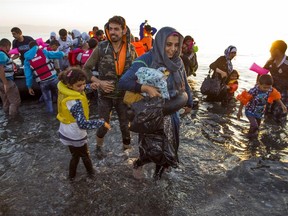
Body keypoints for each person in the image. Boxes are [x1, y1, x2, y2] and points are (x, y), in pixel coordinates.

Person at [118, 26, 193, 180]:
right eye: (168, 44)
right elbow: (123, 81)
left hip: (171, 112)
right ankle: (139, 163)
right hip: (152, 113)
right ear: (159, 43)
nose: (172, 49)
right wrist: (144, 87)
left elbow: (185, 83)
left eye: (176, 45)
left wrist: (189, 103)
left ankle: (158, 176)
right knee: (150, 147)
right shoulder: (146, 59)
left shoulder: (178, 62)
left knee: (169, 147)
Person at [83, 15, 137, 155]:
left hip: (124, 96)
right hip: (105, 95)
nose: (113, 32)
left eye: (116, 29)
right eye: (110, 29)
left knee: (125, 126)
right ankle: (98, 148)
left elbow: (139, 72)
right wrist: (99, 82)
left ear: (124, 30)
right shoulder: (101, 48)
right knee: (103, 126)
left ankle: (126, 153)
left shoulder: (131, 49)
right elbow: (86, 69)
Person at [57, 67, 110, 181]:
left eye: (84, 84)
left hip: (65, 130)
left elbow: (80, 89)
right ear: (70, 85)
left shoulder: (64, 89)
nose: (82, 87)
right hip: (75, 133)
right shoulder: (75, 102)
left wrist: (90, 86)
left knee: (75, 156)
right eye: (79, 85)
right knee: (85, 155)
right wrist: (101, 122)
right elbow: (83, 124)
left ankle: (71, 177)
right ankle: (92, 175)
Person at [236, 74, 287, 139]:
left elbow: (276, 97)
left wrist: (282, 105)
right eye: (264, 87)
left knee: (257, 127)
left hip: (259, 112)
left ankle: (250, 137)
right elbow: (243, 100)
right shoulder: (253, 91)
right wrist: (239, 111)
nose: (266, 89)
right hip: (250, 111)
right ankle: (247, 137)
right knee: (255, 126)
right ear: (258, 83)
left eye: (268, 87)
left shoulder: (270, 89)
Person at [23, 40, 65, 113]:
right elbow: (60, 54)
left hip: (43, 83)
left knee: (48, 102)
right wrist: (63, 53)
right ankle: (63, 114)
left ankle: (50, 118)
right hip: (53, 79)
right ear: (36, 46)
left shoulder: (27, 60)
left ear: (29, 49)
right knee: (60, 98)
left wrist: (29, 87)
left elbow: (28, 75)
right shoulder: (43, 52)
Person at [263, 40, 288, 123]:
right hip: (270, 92)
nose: (270, 50)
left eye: (271, 48)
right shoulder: (270, 61)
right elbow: (262, 74)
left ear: (277, 50)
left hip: (284, 95)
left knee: (279, 119)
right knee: (266, 116)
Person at [0, 38, 21, 116]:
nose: (9, 49)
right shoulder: (2, 54)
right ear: (6, 46)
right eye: (9, 47)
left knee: (6, 101)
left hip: (1, 82)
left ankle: (7, 117)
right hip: (7, 81)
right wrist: (5, 83)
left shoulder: (3, 54)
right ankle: (14, 120)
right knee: (15, 101)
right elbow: (0, 69)